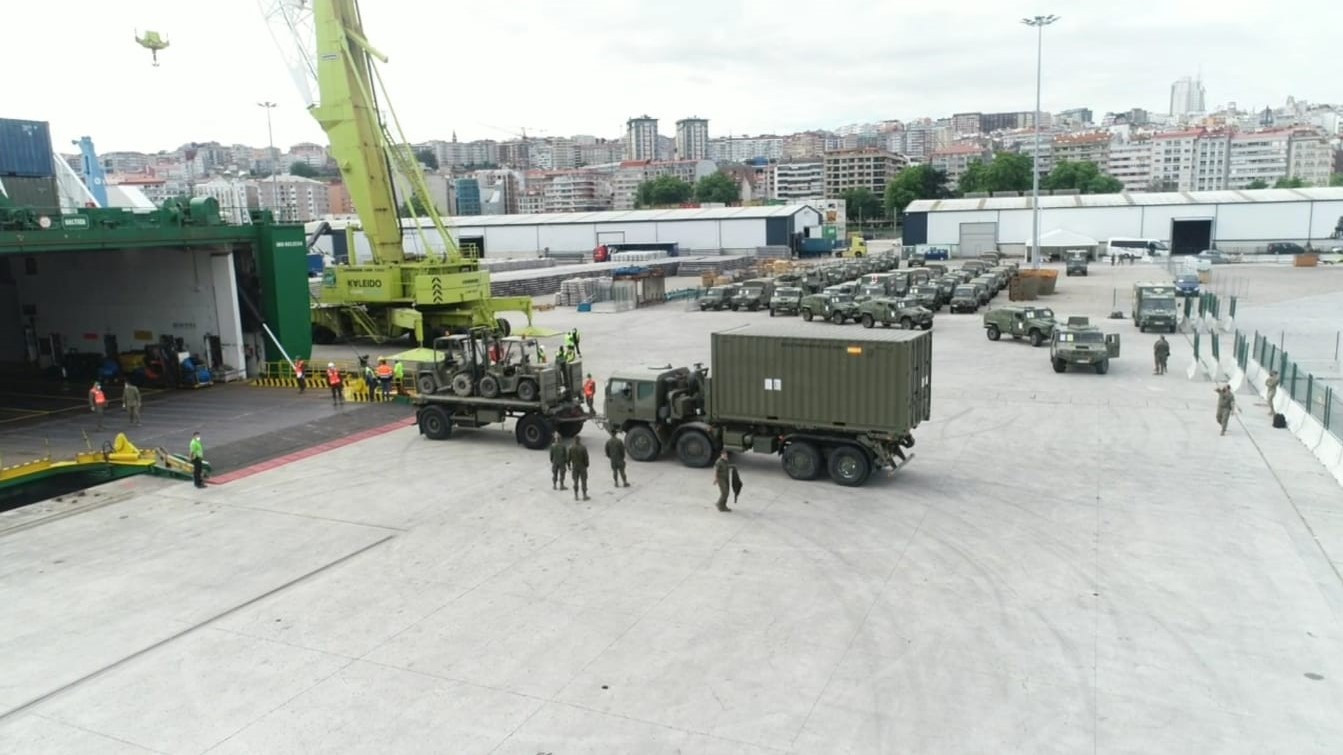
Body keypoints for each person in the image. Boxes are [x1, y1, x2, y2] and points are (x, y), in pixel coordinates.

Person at [569, 434, 590, 501]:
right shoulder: (583, 448)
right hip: (582, 466)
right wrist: (586, 465)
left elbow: (568, 458)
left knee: (575, 481)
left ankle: (576, 495)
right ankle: (584, 495)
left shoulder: (571, 447)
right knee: (584, 481)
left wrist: (569, 465)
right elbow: (586, 458)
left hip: (575, 466)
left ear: (574, 440)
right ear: (579, 439)